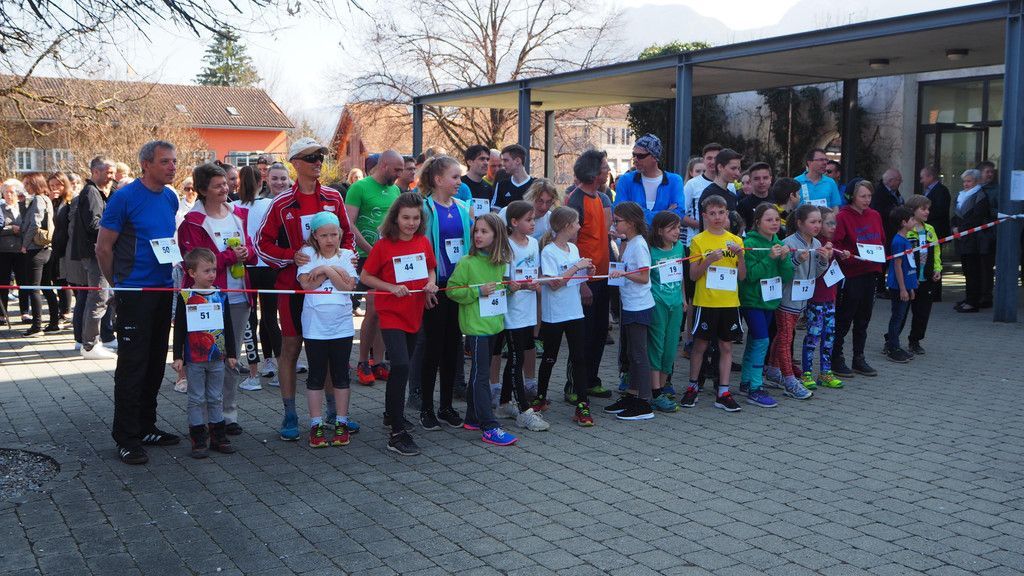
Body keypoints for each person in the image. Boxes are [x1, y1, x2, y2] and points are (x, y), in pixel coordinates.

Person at [255, 137, 355, 442]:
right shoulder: (281, 202)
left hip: (332, 289)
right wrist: (290, 256)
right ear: (295, 163)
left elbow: (348, 237)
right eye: (311, 157)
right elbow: (261, 244)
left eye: (320, 156)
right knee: (291, 348)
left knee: (329, 349)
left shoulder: (333, 197)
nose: (318, 162)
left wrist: (344, 260)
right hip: (294, 289)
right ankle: (290, 414)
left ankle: (333, 413)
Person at [97, 140, 181, 465]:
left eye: (174, 161)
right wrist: (119, 285)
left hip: (163, 290)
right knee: (133, 366)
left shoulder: (171, 197)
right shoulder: (124, 198)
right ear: (146, 164)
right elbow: (104, 248)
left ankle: (147, 427)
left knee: (156, 362)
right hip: (134, 293)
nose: (172, 167)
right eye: (165, 161)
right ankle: (127, 438)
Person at [177, 162, 256, 436]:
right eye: (218, 185)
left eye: (226, 183)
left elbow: (251, 249)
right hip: (207, 299)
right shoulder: (192, 222)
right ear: (202, 190)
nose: (225, 188)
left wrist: (247, 253)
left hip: (238, 295)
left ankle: (227, 415)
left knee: (231, 358)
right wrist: (230, 256)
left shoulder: (239, 214)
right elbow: (194, 262)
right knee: (205, 359)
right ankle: (204, 419)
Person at [360, 192, 439, 455]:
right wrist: (391, 287)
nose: (411, 223)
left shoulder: (423, 242)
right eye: (406, 218)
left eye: (416, 218)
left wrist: (430, 284)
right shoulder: (384, 245)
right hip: (391, 313)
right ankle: (396, 433)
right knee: (402, 365)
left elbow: (430, 268)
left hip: (414, 312)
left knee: (401, 368)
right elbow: (366, 276)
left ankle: (390, 413)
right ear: (395, 218)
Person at [445, 213, 517, 446]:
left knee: (480, 373)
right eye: (476, 231)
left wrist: (510, 288)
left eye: (484, 231)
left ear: (497, 235)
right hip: (476, 328)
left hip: (494, 325)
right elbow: (452, 290)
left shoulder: (499, 262)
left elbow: (498, 290)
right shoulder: (466, 262)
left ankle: (473, 418)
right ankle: (489, 426)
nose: (478, 235)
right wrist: (477, 291)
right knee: (481, 377)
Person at [418, 155, 471, 431]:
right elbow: (422, 248)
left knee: (453, 348)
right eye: (455, 177)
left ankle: (446, 406)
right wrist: (427, 284)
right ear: (438, 180)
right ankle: (426, 407)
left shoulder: (462, 208)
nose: (459, 182)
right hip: (435, 288)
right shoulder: (425, 209)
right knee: (432, 349)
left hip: (458, 287)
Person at [296, 211, 358, 448]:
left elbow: (347, 287)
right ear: (315, 236)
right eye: (324, 235)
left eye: (333, 235)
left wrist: (325, 270)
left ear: (340, 234)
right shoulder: (307, 254)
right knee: (316, 375)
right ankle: (316, 424)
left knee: (341, 375)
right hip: (315, 327)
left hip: (342, 326)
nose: (329, 240)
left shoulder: (347, 255)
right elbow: (307, 285)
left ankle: (342, 421)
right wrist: (332, 272)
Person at [680, 195, 745, 412]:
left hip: (729, 302)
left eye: (721, 212)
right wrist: (708, 260)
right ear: (705, 216)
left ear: (727, 214)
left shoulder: (736, 241)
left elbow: (742, 276)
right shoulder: (698, 241)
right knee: (700, 345)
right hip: (706, 302)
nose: (717, 217)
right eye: (712, 213)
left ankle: (723, 392)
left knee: (726, 346)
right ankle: (693, 387)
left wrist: (740, 257)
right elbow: (693, 275)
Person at [172, 248, 237, 459]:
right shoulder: (186, 296)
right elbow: (179, 327)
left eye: (214, 270)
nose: (212, 275)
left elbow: (228, 325)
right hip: (194, 358)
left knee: (216, 397)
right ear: (192, 273)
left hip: (217, 356)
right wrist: (178, 356)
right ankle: (198, 438)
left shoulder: (221, 295)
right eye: (206, 271)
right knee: (196, 398)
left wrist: (232, 353)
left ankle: (218, 435)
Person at [347, 150, 403, 385]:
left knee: (382, 309)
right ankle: (362, 361)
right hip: (364, 256)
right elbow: (349, 224)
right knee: (371, 308)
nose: (399, 174)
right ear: (384, 165)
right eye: (397, 169)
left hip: (388, 258)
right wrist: (372, 250)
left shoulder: (395, 191)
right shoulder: (359, 187)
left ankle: (377, 362)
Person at [535, 206, 595, 426]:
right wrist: (576, 267)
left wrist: (587, 272)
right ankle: (540, 397)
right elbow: (555, 283)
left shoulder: (573, 248)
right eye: (577, 222)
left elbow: (576, 279)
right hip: (555, 314)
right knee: (550, 357)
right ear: (567, 226)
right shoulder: (549, 251)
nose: (579, 226)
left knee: (579, 358)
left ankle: (582, 404)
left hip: (574, 311)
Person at [495, 201, 549, 431]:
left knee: (519, 356)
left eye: (533, 219)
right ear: (514, 222)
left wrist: (536, 284)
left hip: (528, 309)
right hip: (512, 311)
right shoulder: (506, 245)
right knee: (516, 359)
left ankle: (504, 403)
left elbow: (534, 272)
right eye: (528, 220)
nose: (533, 223)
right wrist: (513, 285)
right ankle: (524, 411)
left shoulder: (534, 243)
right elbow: (503, 278)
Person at [766, 205, 830, 398]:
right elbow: (782, 273)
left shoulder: (816, 243)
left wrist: (823, 260)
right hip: (786, 298)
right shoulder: (788, 243)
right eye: (813, 222)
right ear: (800, 223)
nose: (817, 225)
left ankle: (773, 370)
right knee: (786, 338)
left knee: (783, 335)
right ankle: (789, 380)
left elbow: (816, 273)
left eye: (819, 221)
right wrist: (796, 261)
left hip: (802, 298)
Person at [564, 150, 613, 401]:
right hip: (585, 282)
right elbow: (571, 246)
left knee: (599, 332)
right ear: (594, 174)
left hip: (603, 278)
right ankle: (574, 385)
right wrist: (581, 283)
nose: (608, 171)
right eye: (605, 167)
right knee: (582, 336)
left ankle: (592, 380)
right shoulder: (576, 201)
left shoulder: (600, 197)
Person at [602, 202, 656, 421]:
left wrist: (623, 274)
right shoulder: (630, 242)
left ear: (631, 223)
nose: (615, 224)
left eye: (618, 221)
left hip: (639, 306)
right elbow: (623, 263)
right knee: (631, 354)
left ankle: (644, 402)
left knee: (639, 354)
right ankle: (632, 395)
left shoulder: (640, 244)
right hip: (629, 304)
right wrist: (621, 240)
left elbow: (643, 277)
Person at [738, 203, 793, 408]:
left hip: (770, 301)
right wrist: (770, 258)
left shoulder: (778, 242)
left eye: (777, 219)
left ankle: (746, 381)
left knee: (755, 341)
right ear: (758, 222)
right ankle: (755, 387)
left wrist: (785, 259)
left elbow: (787, 276)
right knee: (762, 341)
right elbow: (750, 275)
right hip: (752, 301)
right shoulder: (750, 243)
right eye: (769, 220)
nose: (774, 223)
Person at [831, 179, 884, 378]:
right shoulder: (843, 216)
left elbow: (881, 240)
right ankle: (836, 357)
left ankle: (859, 357)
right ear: (852, 196)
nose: (867, 200)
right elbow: (835, 244)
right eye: (863, 196)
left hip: (870, 272)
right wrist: (843, 255)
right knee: (844, 318)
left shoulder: (875, 215)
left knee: (863, 318)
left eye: (869, 196)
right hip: (851, 275)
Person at [72, 157, 118, 357]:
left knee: (101, 296)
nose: (112, 177)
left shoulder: (100, 192)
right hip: (94, 253)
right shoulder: (91, 192)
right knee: (98, 297)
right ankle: (90, 345)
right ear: (95, 172)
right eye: (109, 173)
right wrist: (116, 230)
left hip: (97, 251)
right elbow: (94, 224)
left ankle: (91, 341)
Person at [640, 210, 684, 411]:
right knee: (656, 346)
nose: (677, 232)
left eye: (678, 227)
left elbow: (681, 275)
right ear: (659, 230)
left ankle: (662, 388)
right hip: (658, 303)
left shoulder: (680, 247)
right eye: (672, 228)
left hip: (676, 304)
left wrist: (683, 298)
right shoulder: (650, 251)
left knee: (671, 346)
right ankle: (655, 390)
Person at [801, 207, 848, 390]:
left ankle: (825, 372)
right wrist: (825, 256)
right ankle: (806, 373)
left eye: (834, 223)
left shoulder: (831, 244)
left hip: (830, 299)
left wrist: (843, 255)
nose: (832, 226)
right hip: (815, 299)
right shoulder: (815, 245)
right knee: (813, 335)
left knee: (829, 336)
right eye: (827, 223)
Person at [19, 172, 59, 336]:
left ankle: (37, 326)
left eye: (27, 184)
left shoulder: (38, 199)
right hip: (46, 248)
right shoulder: (45, 199)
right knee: (46, 286)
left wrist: (24, 244)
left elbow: (34, 224)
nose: (25, 187)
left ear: (35, 183)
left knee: (33, 288)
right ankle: (54, 323)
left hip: (36, 249)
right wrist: (22, 204)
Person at [612, 134, 684, 224]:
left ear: (654, 157)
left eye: (640, 156)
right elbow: (620, 212)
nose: (635, 159)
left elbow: (679, 214)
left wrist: (636, 215)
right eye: (634, 155)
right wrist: (666, 213)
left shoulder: (674, 181)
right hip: (637, 234)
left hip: (660, 234)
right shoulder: (626, 180)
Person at [901, 195, 941, 355]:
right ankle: (892, 340)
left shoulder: (930, 229)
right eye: (923, 209)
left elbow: (936, 250)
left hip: (926, 279)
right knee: (901, 313)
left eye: (928, 209)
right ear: (912, 210)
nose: (927, 212)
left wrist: (937, 269)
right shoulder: (906, 230)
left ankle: (915, 341)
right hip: (909, 278)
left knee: (923, 313)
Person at [952, 169, 991, 314]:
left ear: (976, 181)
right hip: (962, 238)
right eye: (964, 181)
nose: (965, 184)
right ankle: (968, 298)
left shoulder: (980, 196)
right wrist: (954, 228)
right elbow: (955, 215)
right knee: (967, 271)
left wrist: (961, 229)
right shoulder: (961, 195)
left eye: (969, 181)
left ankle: (973, 302)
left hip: (974, 239)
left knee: (974, 271)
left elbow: (977, 218)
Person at [883, 206, 918, 363]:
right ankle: (892, 347)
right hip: (898, 286)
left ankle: (895, 344)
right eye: (912, 219)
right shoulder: (898, 241)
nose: (914, 221)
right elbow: (897, 266)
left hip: (906, 285)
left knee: (901, 316)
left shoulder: (905, 239)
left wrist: (911, 287)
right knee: (897, 317)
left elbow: (908, 264)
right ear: (904, 222)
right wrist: (903, 289)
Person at [46, 172, 74, 321]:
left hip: (66, 245)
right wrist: (50, 202)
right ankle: (63, 309)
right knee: (57, 278)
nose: (55, 188)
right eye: (52, 186)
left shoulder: (70, 201)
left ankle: (66, 310)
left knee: (65, 278)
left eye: (58, 185)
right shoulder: (51, 201)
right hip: (54, 244)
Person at [0, 180, 25, 319]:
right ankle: (2, 314)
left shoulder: (23, 207)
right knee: (3, 282)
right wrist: (11, 229)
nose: (9, 195)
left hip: (21, 249)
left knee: (23, 281)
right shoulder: (1, 208)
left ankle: (25, 312)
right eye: (6, 192)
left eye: (12, 192)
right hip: (4, 250)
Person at [976, 160, 998, 308]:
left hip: (988, 234)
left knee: (986, 267)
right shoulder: (975, 189)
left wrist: (986, 211)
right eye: (987, 172)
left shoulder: (997, 190)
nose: (990, 174)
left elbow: (1002, 210)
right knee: (974, 266)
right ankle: (974, 295)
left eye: (992, 172)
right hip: (974, 234)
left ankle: (986, 296)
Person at [698, 148, 741, 216]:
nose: (737, 173)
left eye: (739, 169)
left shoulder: (732, 196)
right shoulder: (710, 194)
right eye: (733, 168)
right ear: (720, 167)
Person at [491, 144, 534, 209]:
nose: (503, 164)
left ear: (518, 161)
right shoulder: (501, 185)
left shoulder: (535, 184)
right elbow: (495, 211)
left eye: (506, 160)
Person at [736, 162, 773, 230]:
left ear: (770, 179)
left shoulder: (778, 200)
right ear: (750, 181)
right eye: (757, 179)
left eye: (765, 178)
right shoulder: (743, 204)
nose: (761, 182)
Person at [918, 166, 951, 239]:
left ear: (930, 177)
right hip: (926, 229)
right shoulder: (926, 191)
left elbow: (940, 211)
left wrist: (922, 215)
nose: (921, 181)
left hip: (936, 231)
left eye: (922, 178)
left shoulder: (942, 190)